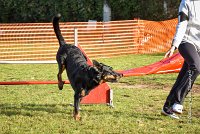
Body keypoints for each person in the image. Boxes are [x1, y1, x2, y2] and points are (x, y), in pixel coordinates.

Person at [161, 0, 200, 119]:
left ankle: (167, 108)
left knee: (183, 76)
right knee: (196, 67)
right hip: (186, 41)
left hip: (198, 45)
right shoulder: (186, 2)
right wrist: (174, 45)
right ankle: (178, 102)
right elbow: (182, 24)